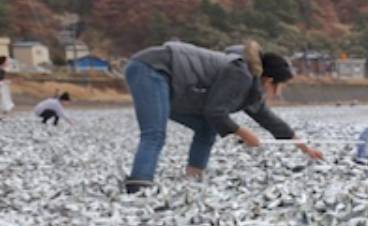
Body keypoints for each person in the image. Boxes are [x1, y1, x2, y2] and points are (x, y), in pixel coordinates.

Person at [122, 40, 323, 194]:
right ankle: (139, 187)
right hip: (152, 69)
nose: (279, 92)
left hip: (175, 85)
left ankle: (193, 178)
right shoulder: (241, 74)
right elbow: (215, 111)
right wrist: (243, 133)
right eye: (280, 86)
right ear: (269, 81)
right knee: (154, 134)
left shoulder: (251, 86)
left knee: (206, 128)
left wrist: (305, 147)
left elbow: (270, 120)